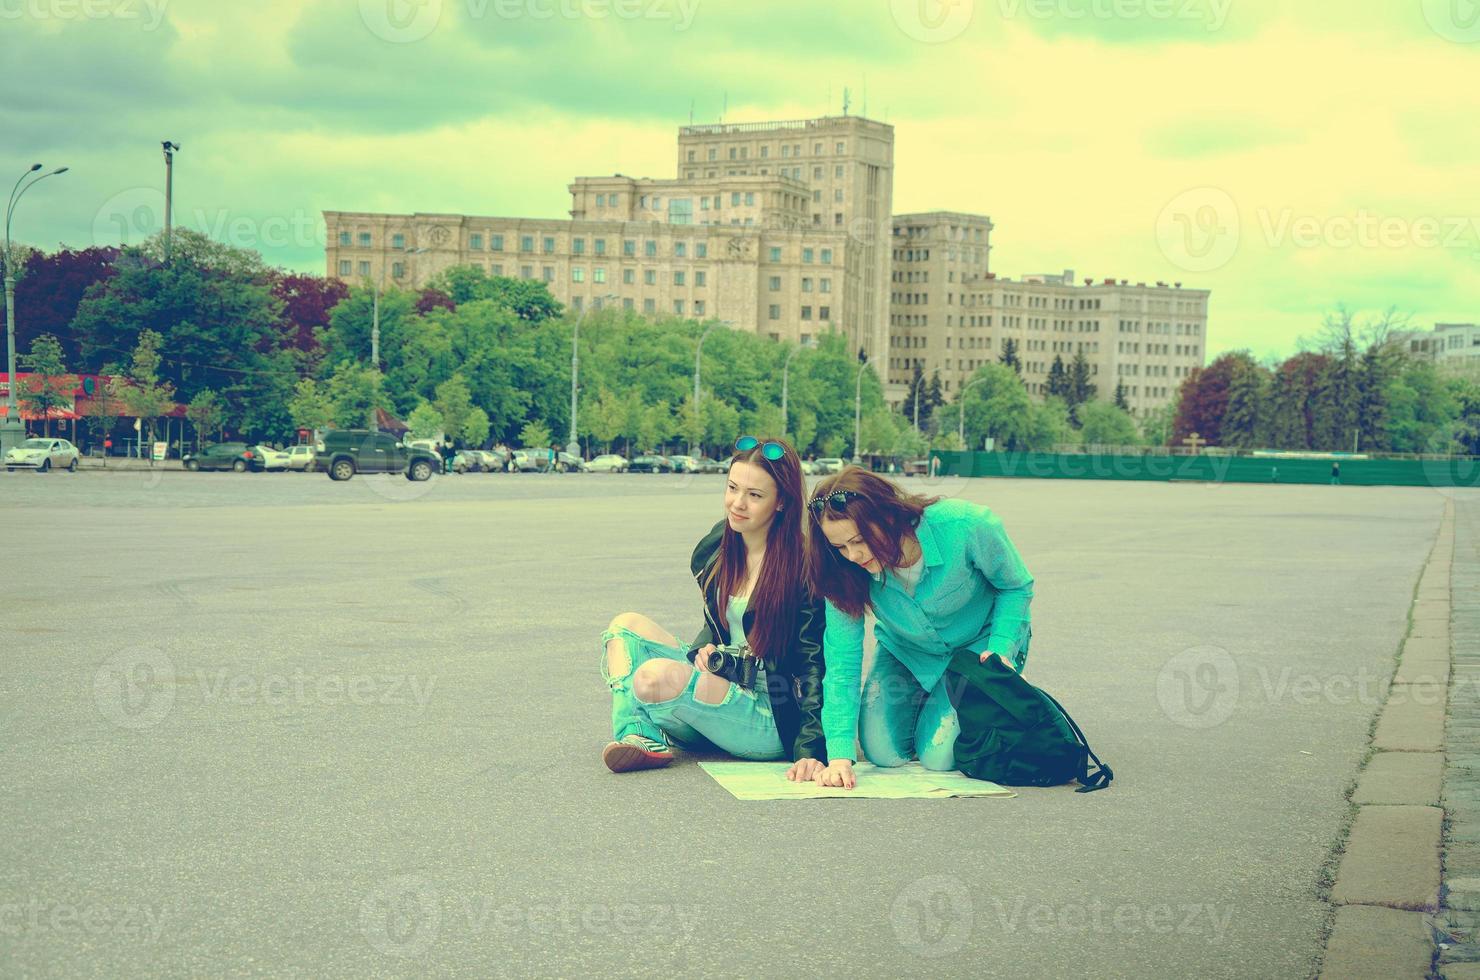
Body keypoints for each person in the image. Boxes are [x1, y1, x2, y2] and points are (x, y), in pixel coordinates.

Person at [598, 435, 828, 779]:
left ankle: (647, 727)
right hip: (723, 683)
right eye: (733, 488)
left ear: (781, 503)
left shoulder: (803, 567)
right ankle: (636, 733)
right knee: (624, 626)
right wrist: (700, 653)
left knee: (651, 678)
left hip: (769, 714)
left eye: (754, 495)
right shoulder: (717, 549)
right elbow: (718, 624)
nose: (737, 503)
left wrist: (810, 748)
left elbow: (814, 664)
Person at [804, 467, 1034, 789]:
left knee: (939, 757)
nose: (852, 555)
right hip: (908, 653)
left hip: (977, 651)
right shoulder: (840, 571)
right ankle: (934, 698)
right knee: (883, 752)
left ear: (888, 515)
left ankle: (1004, 693)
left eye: (859, 540)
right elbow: (842, 662)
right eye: (840, 547)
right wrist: (839, 755)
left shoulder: (966, 525)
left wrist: (1001, 648)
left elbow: (1015, 587)